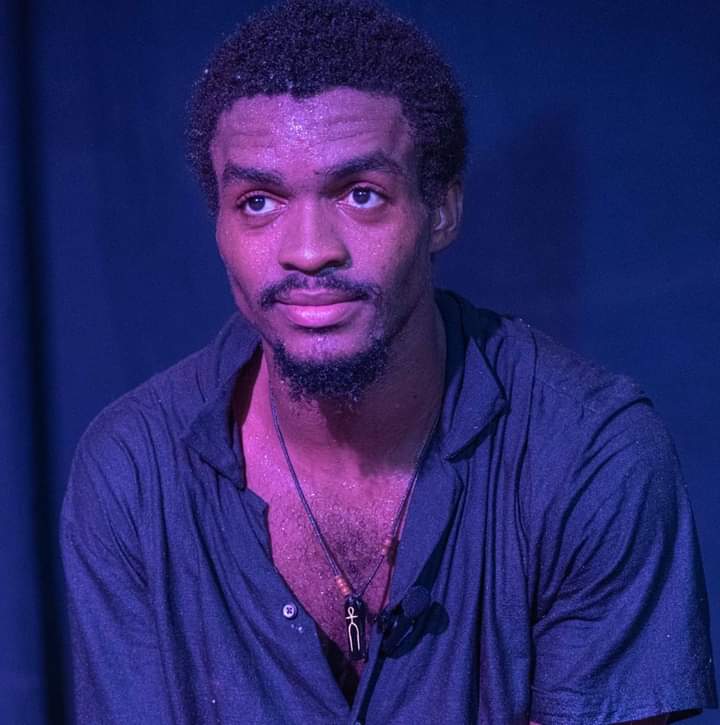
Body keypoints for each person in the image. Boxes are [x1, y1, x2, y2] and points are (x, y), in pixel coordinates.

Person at [60, 1, 717, 723]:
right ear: (218, 223)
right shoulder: (135, 473)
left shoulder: (589, 453)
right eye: (258, 202)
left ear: (442, 212)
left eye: (361, 194)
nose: (309, 251)